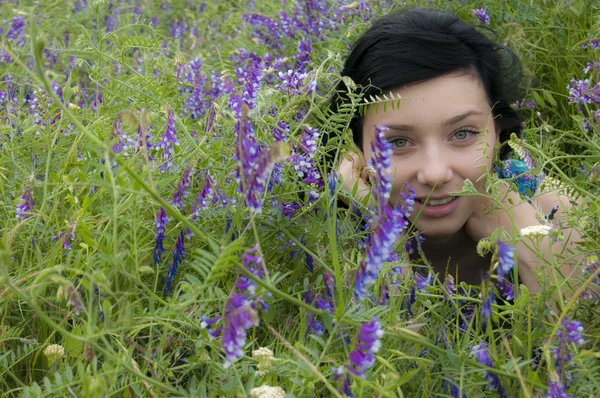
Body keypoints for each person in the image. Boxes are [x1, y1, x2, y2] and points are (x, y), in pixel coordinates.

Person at [330, 7, 584, 294]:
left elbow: (583, 334)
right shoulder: (314, 235)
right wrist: (383, 237)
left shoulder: (560, 212)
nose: (435, 173)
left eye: (463, 133)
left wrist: (534, 249)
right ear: (356, 147)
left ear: (497, 133)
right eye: (398, 142)